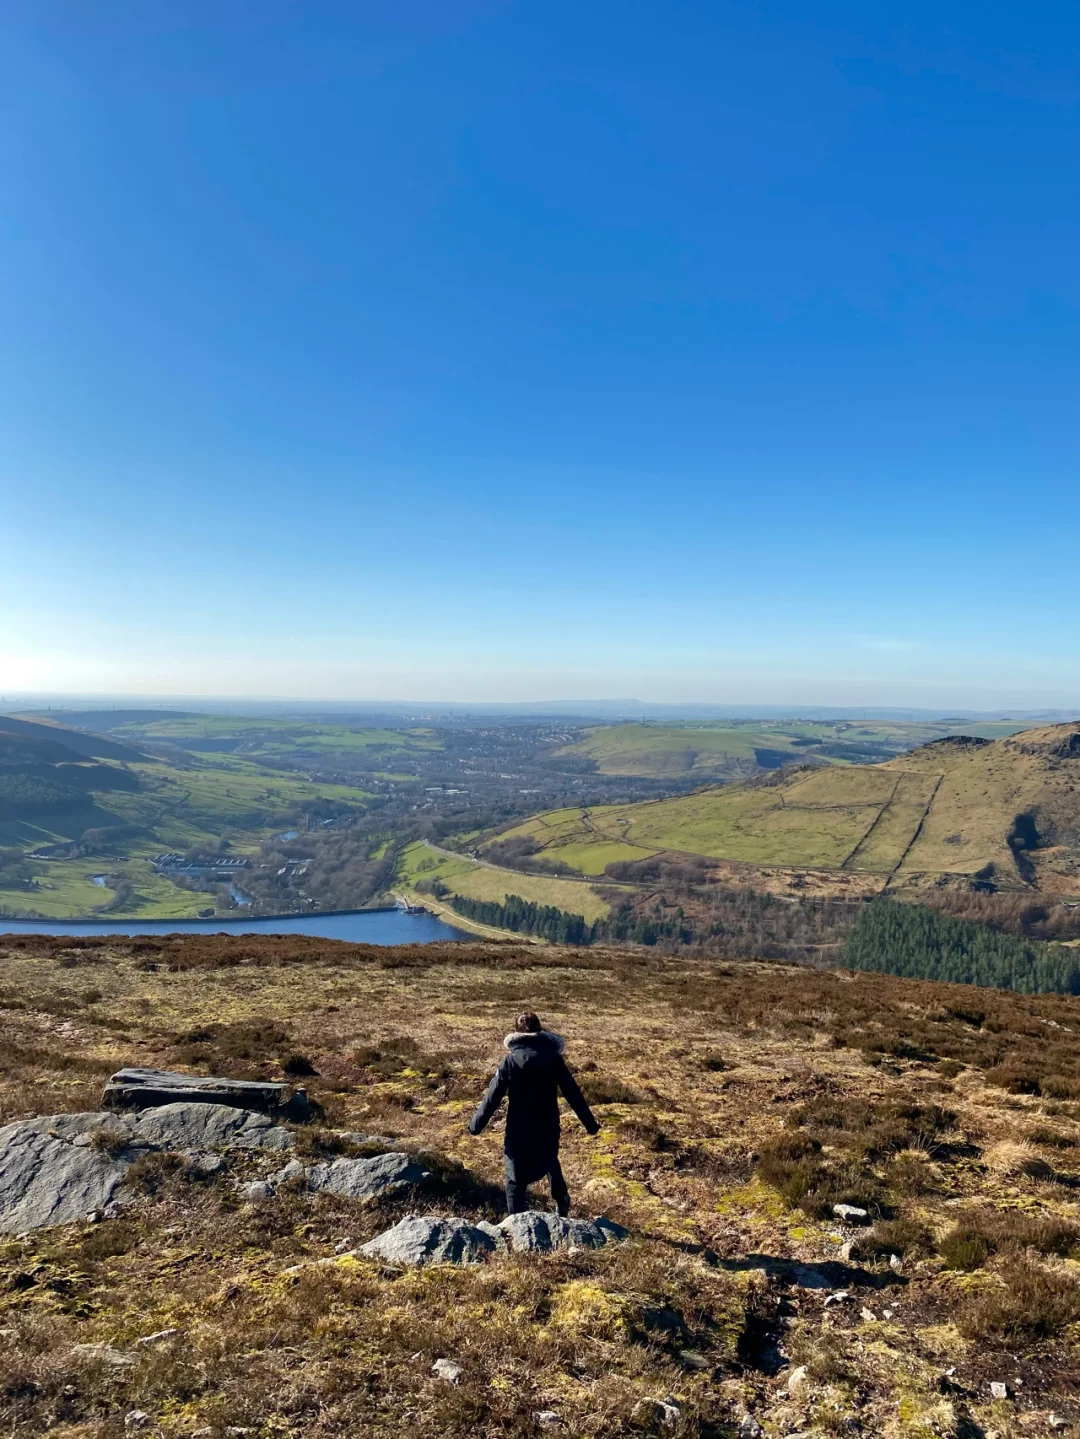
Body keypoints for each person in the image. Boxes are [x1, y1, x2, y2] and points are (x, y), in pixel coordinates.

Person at [468, 1010, 599, 1215]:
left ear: (516, 1034)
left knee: (514, 1178)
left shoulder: (510, 1062)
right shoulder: (554, 1060)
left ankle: (518, 1226)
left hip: (518, 1128)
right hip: (548, 1125)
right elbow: (573, 1093)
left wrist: (476, 1125)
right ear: (540, 1031)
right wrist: (590, 1124)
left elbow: (492, 1097)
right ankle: (561, 1199)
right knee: (548, 1158)